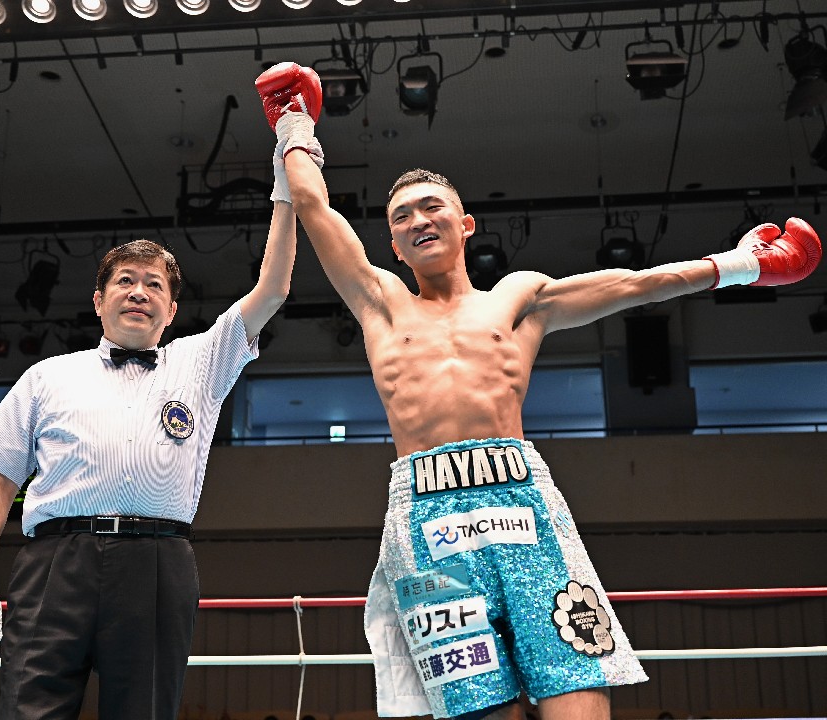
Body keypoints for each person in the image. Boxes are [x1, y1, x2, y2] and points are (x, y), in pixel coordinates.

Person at [254, 62, 822, 720]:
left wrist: (741, 265)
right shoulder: (381, 302)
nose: (418, 219)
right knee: (479, 710)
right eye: (402, 216)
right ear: (395, 245)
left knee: (578, 691)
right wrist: (295, 124)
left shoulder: (517, 297)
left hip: (520, 501)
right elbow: (315, 208)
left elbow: (632, 284)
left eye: (433, 206)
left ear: (466, 224)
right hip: (426, 518)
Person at [0, 189, 299, 720]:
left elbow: (272, 289)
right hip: (55, 562)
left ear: (172, 309)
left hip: (157, 562)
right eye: (125, 281)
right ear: (99, 300)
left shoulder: (201, 361)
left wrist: (285, 192)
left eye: (154, 284)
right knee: (28, 709)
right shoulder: (47, 376)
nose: (139, 292)